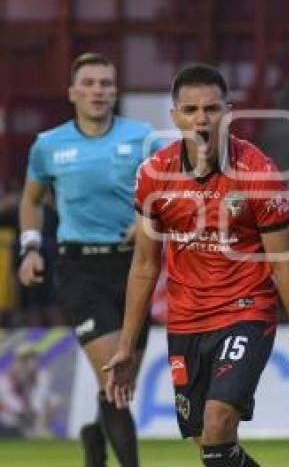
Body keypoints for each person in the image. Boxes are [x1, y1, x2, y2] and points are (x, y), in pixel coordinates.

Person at [103, 64, 289, 467]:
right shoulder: (153, 176)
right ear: (174, 116)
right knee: (211, 445)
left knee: (218, 424)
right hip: (185, 321)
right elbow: (145, 266)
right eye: (190, 110)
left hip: (245, 311)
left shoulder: (257, 172)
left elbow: (279, 259)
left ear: (228, 113)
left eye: (211, 109)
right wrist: (127, 347)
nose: (201, 119)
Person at [18, 52, 162, 467]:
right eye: (90, 83)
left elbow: (170, 189)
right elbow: (31, 200)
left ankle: (95, 438)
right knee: (114, 378)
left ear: (115, 91)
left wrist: (147, 217)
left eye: (106, 83)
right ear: (72, 93)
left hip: (135, 267)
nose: (98, 90)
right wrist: (30, 247)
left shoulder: (143, 137)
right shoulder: (49, 145)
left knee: (123, 380)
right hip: (80, 269)